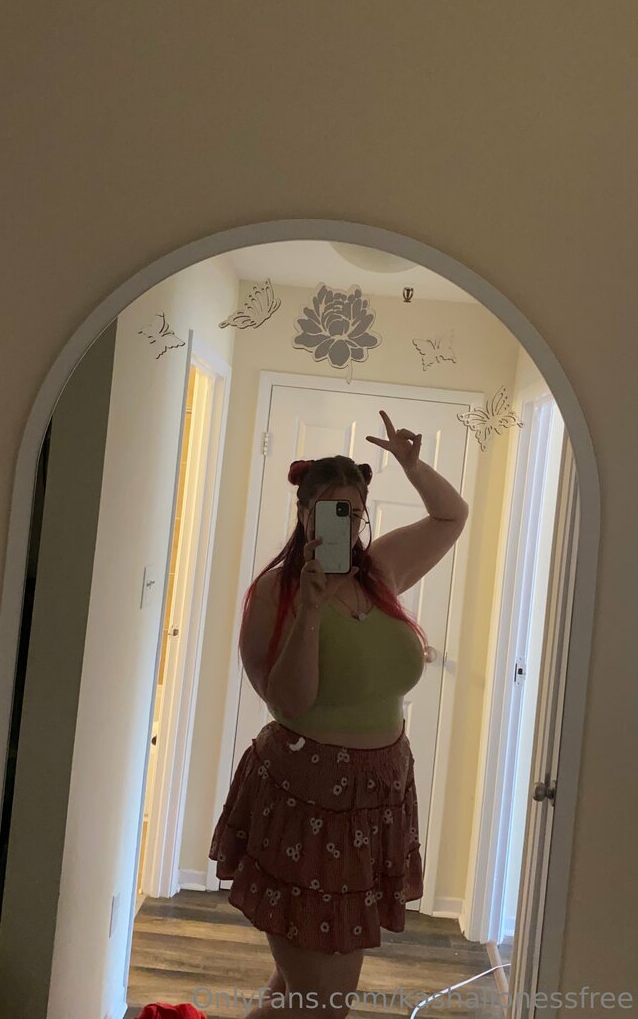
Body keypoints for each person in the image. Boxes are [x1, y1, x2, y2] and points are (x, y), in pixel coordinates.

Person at [208, 411, 469, 1019]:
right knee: (322, 1003)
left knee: (299, 993)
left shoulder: (383, 571)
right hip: (305, 800)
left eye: (352, 512)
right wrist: (308, 613)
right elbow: (288, 704)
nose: (343, 524)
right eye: (329, 510)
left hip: (376, 801)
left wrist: (412, 466)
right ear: (304, 514)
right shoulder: (275, 593)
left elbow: (451, 517)